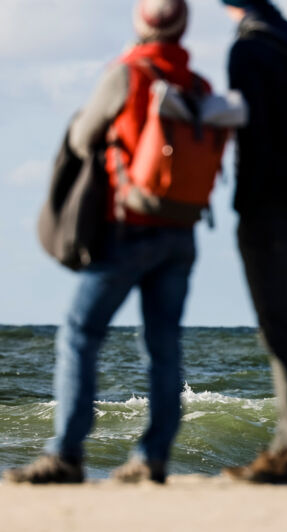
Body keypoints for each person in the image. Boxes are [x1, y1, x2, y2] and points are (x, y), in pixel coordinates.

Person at [4, 0, 202, 484]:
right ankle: (153, 457)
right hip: (181, 232)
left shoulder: (129, 73)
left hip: (128, 228)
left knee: (79, 333)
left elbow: (81, 137)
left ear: (141, 23)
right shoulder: (197, 86)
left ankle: (66, 453)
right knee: (164, 346)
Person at [219, 0, 287, 484]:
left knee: (280, 325)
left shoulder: (251, 48)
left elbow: (257, 132)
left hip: (271, 204)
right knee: (286, 323)